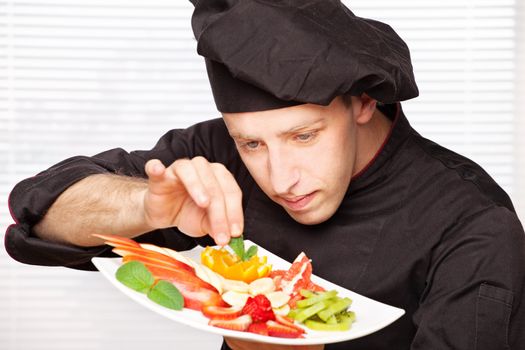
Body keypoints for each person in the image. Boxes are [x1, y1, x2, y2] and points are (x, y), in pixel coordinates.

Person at [4, 0, 525, 349]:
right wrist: (146, 207)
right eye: (251, 143)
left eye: (304, 136)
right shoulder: (212, 152)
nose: (279, 179)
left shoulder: (474, 222)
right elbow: (41, 214)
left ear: (364, 101)